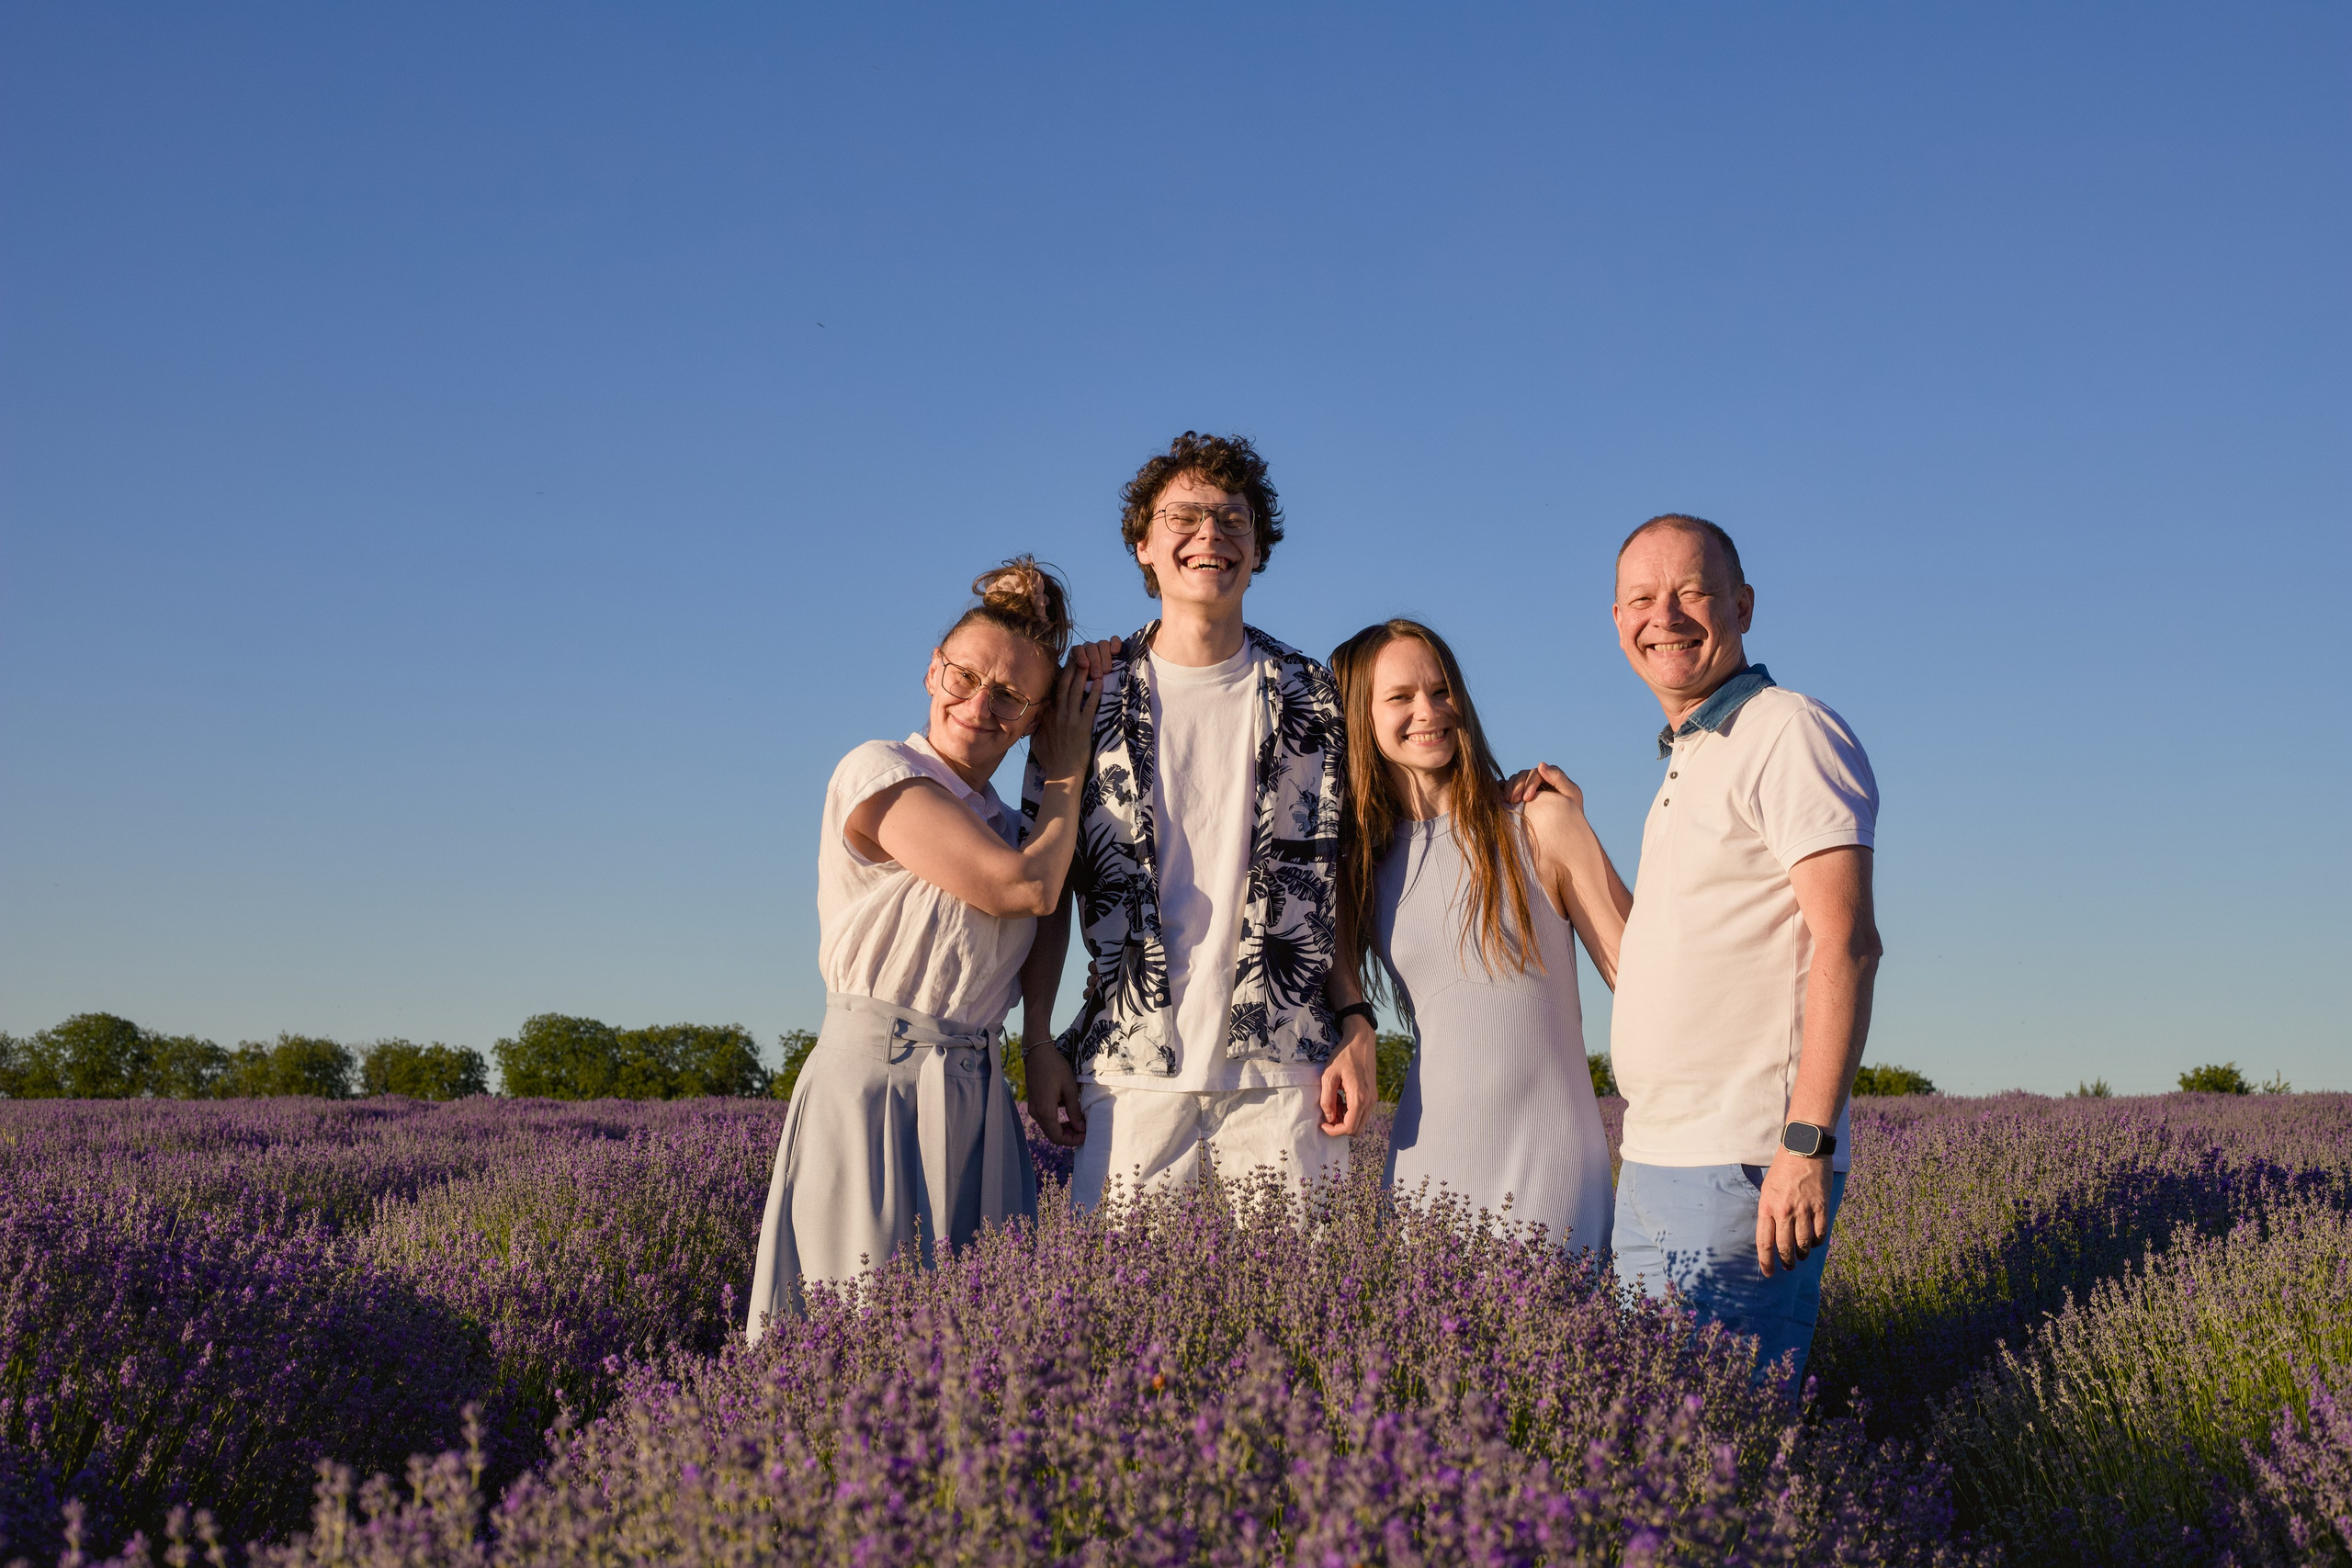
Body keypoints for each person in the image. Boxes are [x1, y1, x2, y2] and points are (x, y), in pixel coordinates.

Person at [1520, 513, 1881, 1390]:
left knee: (1721, 1449)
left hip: (1742, 1165)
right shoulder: (1690, 755)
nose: (1666, 616)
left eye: (1691, 592)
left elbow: (1848, 941)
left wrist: (1805, 1144)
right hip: (1653, 1159)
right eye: (1643, 598)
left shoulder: (1786, 731)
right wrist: (1572, 834)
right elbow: (1657, 955)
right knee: (1664, 1456)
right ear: (1617, 622)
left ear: (1743, 604)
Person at [1018, 432, 1379, 1210]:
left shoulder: (1312, 694)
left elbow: (1334, 879)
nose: (1210, 533)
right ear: (1144, 544)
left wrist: (1356, 1017)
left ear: (1259, 546)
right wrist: (1038, 1037)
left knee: (1312, 1320)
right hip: (1131, 1064)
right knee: (1108, 1323)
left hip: (1286, 1066)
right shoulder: (1089, 692)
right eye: (1184, 516)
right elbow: (1045, 881)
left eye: (1232, 517)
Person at [747, 558, 1104, 1338]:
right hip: (877, 1089)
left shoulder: (1020, 828)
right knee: (857, 1341)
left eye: (1011, 695)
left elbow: (1053, 904)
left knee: (987, 1351)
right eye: (963, 676)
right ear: (930, 671)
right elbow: (1024, 890)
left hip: (978, 1093)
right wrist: (1067, 772)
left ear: (1036, 716)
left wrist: (1038, 1039)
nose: (978, 705)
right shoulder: (879, 770)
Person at [1329, 618, 1630, 1251]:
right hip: (1425, 1164)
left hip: (1548, 1162)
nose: (1428, 711)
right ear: (1362, 715)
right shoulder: (1363, 862)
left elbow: (1641, 976)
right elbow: (1329, 953)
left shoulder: (1538, 822)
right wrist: (1356, 1022)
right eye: (1401, 697)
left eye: (1441, 691)